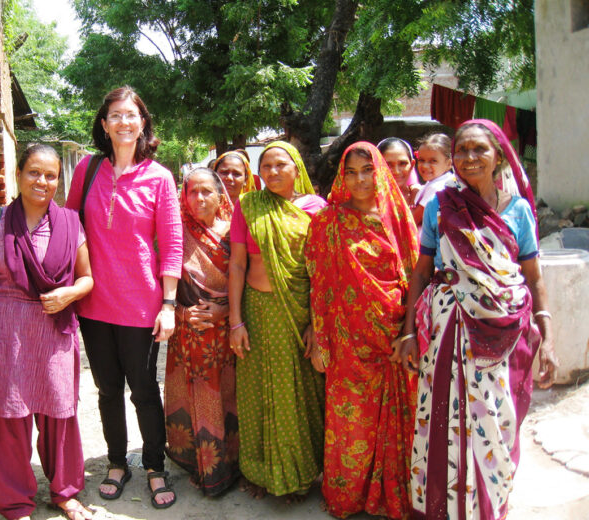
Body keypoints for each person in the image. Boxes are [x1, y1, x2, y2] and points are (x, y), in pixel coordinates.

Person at [397, 119, 559, 520]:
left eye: (479, 150)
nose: (469, 159)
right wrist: (407, 332)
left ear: (498, 155)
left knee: (497, 421)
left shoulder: (518, 210)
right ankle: (444, 508)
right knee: (444, 417)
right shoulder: (441, 204)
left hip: (504, 334)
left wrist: (548, 337)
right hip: (449, 327)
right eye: (462, 151)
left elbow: (533, 276)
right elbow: (422, 270)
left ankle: (488, 504)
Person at [65, 86, 182, 509]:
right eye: (115, 115)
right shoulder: (87, 170)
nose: (123, 122)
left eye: (131, 115)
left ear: (143, 123)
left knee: (145, 391)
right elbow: (68, 229)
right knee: (107, 389)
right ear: (104, 124)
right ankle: (118, 462)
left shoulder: (160, 178)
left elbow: (171, 243)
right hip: (94, 305)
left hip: (141, 305)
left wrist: (168, 305)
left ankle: (154, 466)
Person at [0, 144, 94, 520]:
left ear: (60, 180)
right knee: (7, 417)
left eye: (51, 175)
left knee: (59, 412)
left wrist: (70, 292)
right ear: (18, 175)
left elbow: (88, 278)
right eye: (34, 173)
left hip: (53, 331)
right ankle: (15, 502)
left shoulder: (71, 223)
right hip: (3, 332)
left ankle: (65, 493)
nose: (42, 181)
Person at [306, 141, 419, 519]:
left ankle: (389, 496)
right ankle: (350, 497)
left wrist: (409, 331)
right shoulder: (328, 221)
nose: (359, 180)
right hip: (346, 345)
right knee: (351, 426)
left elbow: (417, 275)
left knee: (396, 422)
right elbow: (319, 285)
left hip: (393, 341)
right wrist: (320, 341)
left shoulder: (398, 218)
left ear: (379, 172)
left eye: (367, 170)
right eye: (350, 172)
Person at [228, 140, 325, 501]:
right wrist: (235, 322)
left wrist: (318, 324)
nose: (271, 172)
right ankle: (262, 472)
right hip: (256, 311)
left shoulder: (317, 209)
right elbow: (237, 265)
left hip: (299, 314)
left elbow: (323, 273)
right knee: (256, 392)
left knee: (299, 394)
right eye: (265, 166)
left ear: (296, 166)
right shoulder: (248, 205)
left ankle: (298, 473)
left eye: (280, 164)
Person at [165, 167, 239, 496]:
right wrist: (181, 313)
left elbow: (246, 281)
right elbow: (160, 283)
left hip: (224, 336)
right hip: (187, 334)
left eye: (206, 191)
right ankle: (200, 465)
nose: (199, 198)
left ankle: (229, 466)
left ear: (220, 197)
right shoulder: (174, 233)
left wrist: (225, 311)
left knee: (227, 397)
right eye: (192, 192)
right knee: (193, 398)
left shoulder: (233, 232)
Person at [412, 133, 455, 226]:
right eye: (421, 160)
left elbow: (413, 220)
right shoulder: (445, 181)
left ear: (449, 164)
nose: (425, 166)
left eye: (433, 161)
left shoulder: (437, 187)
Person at [379, 137, 421, 208]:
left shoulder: (423, 197)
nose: (396, 171)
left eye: (402, 163)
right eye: (388, 165)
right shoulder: (366, 201)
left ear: (412, 165)